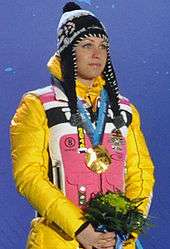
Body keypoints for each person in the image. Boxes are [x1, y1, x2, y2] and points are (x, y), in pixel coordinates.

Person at [10, 2, 155, 249]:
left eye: (103, 46)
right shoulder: (38, 105)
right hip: (59, 240)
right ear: (68, 52)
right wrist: (81, 229)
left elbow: (140, 173)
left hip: (117, 243)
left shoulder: (125, 110)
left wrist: (126, 228)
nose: (97, 54)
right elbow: (28, 175)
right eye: (87, 45)